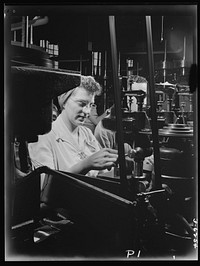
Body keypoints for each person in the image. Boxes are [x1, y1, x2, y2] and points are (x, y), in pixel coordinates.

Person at [28, 76, 119, 188]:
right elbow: (44, 187)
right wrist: (85, 165)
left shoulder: (86, 133)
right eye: (81, 104)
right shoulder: (44, 136)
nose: (87, 111)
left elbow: (103, 174)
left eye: (90, 105)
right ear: (64, 102)